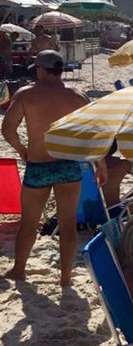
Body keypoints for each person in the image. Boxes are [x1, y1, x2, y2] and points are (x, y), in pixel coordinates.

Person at [2, 51, 103, 285]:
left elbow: (7, 129)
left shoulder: (27, 94)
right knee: (67, 225)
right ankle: (65, 277)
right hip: (68, 165)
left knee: (29, 223)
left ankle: (19, 270)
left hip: (39, 166)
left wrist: (21, 149)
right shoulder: (78, 96)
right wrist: (100, 163)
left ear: (40, 69)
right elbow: (94, 134)